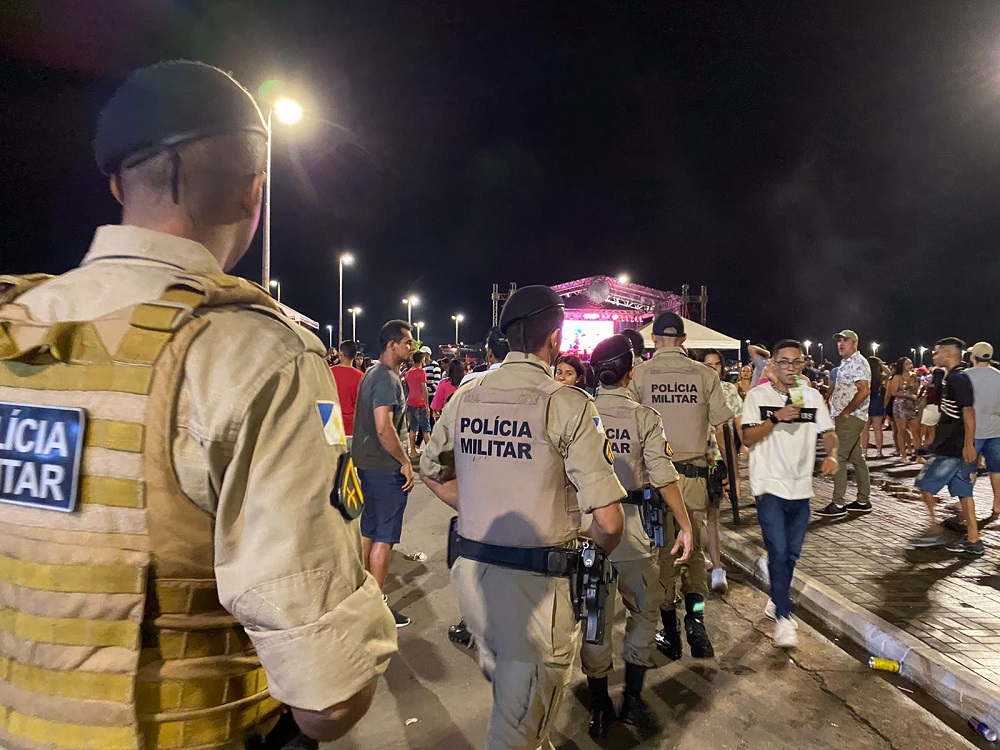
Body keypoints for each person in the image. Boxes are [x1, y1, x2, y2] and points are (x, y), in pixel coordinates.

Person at [0, 60, 396, 748]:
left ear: (119, 182)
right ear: (253, 194)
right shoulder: (257, 353)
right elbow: (329, 697)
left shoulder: (17, 326)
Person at [420, 285, 626, 750]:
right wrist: (586, 557)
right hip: (537, 593)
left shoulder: (466, 396)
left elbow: (431, 468)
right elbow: (611, 523)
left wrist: (475, 506)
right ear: (554, 339)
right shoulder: (567, 404)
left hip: (472, 581)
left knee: (516, 703)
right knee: (516, 731)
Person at [581, 335, 693, 737]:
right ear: (630, 373)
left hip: (588, 532)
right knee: (644, 612)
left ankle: (597, 705)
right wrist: (686, 523)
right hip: (633, 533)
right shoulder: (644, 417)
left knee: (593, 618)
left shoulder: (577, 411)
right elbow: (663, 476)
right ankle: (631, 698)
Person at [630, 312, 733, 660]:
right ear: (684, 340)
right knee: (695, 552)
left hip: (655, 478)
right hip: (694, 476)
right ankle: (697, 621)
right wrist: (731, 474)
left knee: (664, 557)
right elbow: (723, 425)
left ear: (655, 340)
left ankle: (670, 632)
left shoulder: (640, 375)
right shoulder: (705, 375)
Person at [741, 340, 839, 648]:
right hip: (769, 485)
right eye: (784, 362)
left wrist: (832, 455)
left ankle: (776, 598)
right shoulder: (758, 396)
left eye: (796, 362)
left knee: (791, 554)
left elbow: (829, 432)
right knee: (779, 551)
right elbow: (747, 436)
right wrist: (775, 418)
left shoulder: (812, 397)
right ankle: (784, 617)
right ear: (773, 366)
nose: (790, 368)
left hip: (801, 488)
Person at [353, 320, 417, 627]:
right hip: (383, 468)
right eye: (407, 342)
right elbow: (384, 427)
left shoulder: (372, 373)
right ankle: (375, 608)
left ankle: (362, 596)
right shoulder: (386, 379)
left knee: (369, 530)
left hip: (368, 465)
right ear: (392, 344)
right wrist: (404, 461)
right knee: (384, 537)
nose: (411, 347)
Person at [910, 338, 983, 555]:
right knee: (964, 493)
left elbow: (968, 412)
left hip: (952, 447)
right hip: (954, 445)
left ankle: (934, 529)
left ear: (949, 354)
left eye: (937, 352)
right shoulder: (952, 377)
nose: (933, 356)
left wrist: (969, 444)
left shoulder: (957, 379)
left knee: (924, 484)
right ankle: (973, 539)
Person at [700, 349, 744, 593]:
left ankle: (717, 566)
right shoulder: (695, 388)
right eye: (707, 364)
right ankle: (702, 558)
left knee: (712, 516)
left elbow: (736, 423)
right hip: (694, 457)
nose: (712, 369)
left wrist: (743, 446)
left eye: (716, 365)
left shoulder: (728, 390)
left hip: (717, 459)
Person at [816, 330, 873, 518]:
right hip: (847, 416)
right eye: (839, 341)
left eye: (845, 341)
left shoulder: (858, 363)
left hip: (851, 417)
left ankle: (838, 503)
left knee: (837, 457)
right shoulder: (846, 363)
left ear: (855, 343)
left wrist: (847, 411)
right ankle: (863, 501)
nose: (840, 344)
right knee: (857, 458)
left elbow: (864, 390)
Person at [964, 342, 1000, 517]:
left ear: (973, 357)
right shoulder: (998, 376)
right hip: (995, 430)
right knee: (996, 469)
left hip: (972, 431)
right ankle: (997, 504)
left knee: (969, 469)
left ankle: (965, 503)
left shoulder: (965, 376)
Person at [885, 357, 921, 461]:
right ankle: (903, 456)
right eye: (907, 364)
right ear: (902, 366)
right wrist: (909, 396)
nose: (910, 365)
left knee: (916, 432)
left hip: (912, 405)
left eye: (910, 363)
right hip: (900, 406)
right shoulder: (897, 377)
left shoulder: (914, 376)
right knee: (902, 430)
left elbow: (916, 390)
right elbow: (894, 392)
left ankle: (919, 455)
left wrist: (917, 395)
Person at [331, 339, 365, 448]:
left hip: (331, 424)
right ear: (354, 355)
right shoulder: (361, 376)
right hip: (351, 427)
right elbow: (360, 404)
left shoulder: (329, 372)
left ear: (340, 354)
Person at [405, 350, 432, 458]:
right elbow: (424, 389)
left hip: (411, 402)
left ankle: (412, 451)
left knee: (413, 428)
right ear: (421, 359)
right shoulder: (421, 372)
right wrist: (427, 405)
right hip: (420, 404)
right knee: (426, 429)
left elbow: (407, 388)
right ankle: (430, 455)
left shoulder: (409, 372)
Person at [864, 356, 888, 459]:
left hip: (865, 401)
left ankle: (864, 452)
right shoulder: (880, 377)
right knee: (878, 428)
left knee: (865, 429)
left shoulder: (865, 375)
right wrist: (882, 365)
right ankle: (879, 451)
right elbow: (890, 375)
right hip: (877, 401)